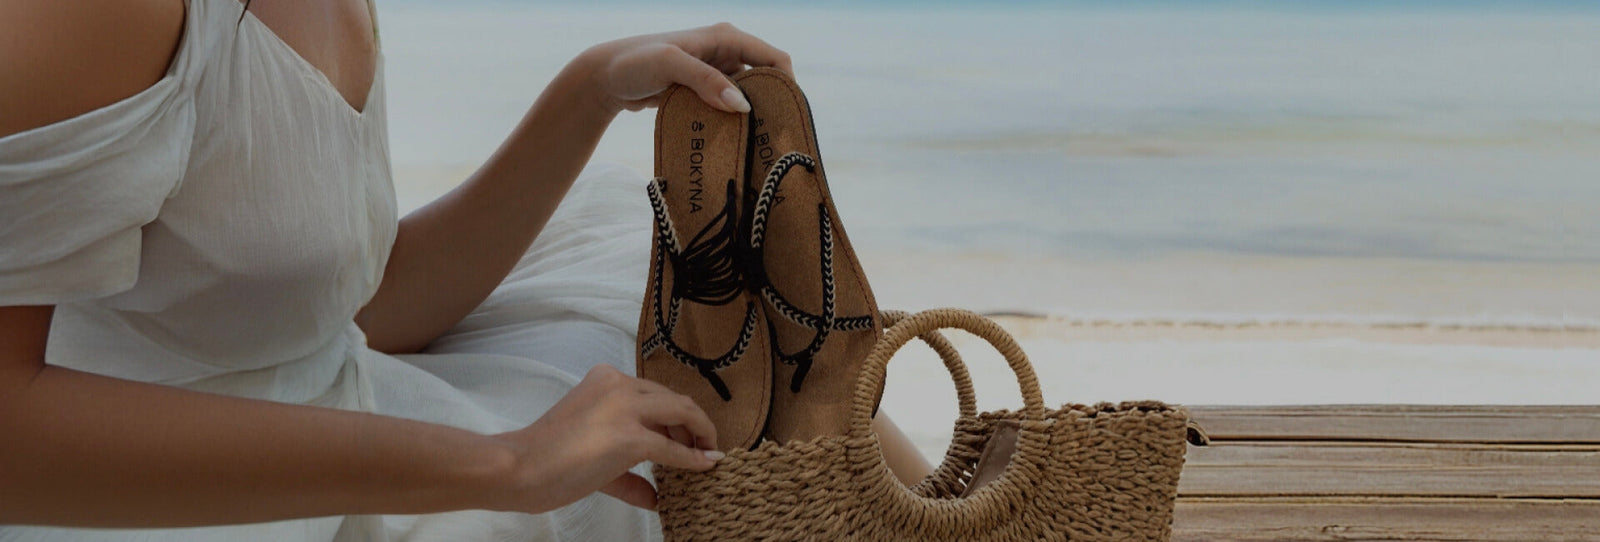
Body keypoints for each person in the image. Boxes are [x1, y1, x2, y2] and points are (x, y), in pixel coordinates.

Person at [0, 0, 931, 540]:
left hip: (336, 409)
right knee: (665, 424)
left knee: (658, 313)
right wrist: (505, 463)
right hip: (186, 506)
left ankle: (950, 511)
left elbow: (352, 300)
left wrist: (590, 91)